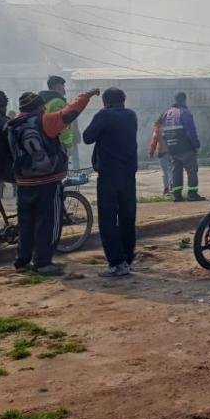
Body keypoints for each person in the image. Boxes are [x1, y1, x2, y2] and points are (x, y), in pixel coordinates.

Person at [6, 88, 99, 275]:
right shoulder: (45, 120)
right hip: (47, 181)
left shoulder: (13, 124)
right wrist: (86, 95)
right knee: (48, 222)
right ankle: (43, 263)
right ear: (39, 107)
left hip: (23, 182)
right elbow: (70, 112)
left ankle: (22, 260)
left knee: (26, 222)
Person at [83, 88, 138, 278]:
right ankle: (127, 259)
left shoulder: (104, 115)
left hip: (109, 175)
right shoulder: (131, 115)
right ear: (123, 100)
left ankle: (116, 263)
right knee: (127, 218)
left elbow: (87, 137)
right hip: (129, 173)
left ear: (105, 101)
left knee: (107, 220)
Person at [158, 92, 203, 202]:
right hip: (185, 148)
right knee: (192, 170)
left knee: (176, 171)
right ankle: (192, 194)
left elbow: (162, 133)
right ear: (184, 100)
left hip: (172, 149)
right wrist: (196, 145)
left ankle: (177, 195)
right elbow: (191, 131)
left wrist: (168, 146)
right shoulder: (185, 113)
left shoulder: (166, 113)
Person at [39, 75, 78, 168]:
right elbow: (62, 126)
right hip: (60, 145)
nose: (64, 89)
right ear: (57, 87)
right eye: (63, 86)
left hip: (49, 143)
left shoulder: (46, 102)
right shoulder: (58, 102)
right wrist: (68, 144)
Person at [147, 119, 172, 197]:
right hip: (171, 152)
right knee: (172, 170)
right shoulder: (170, 128)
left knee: (165, 172)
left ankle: (166, 189)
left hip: (162, 152)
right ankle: (173, 187)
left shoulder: (157, 130)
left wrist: (151, 153)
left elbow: (154, 142)